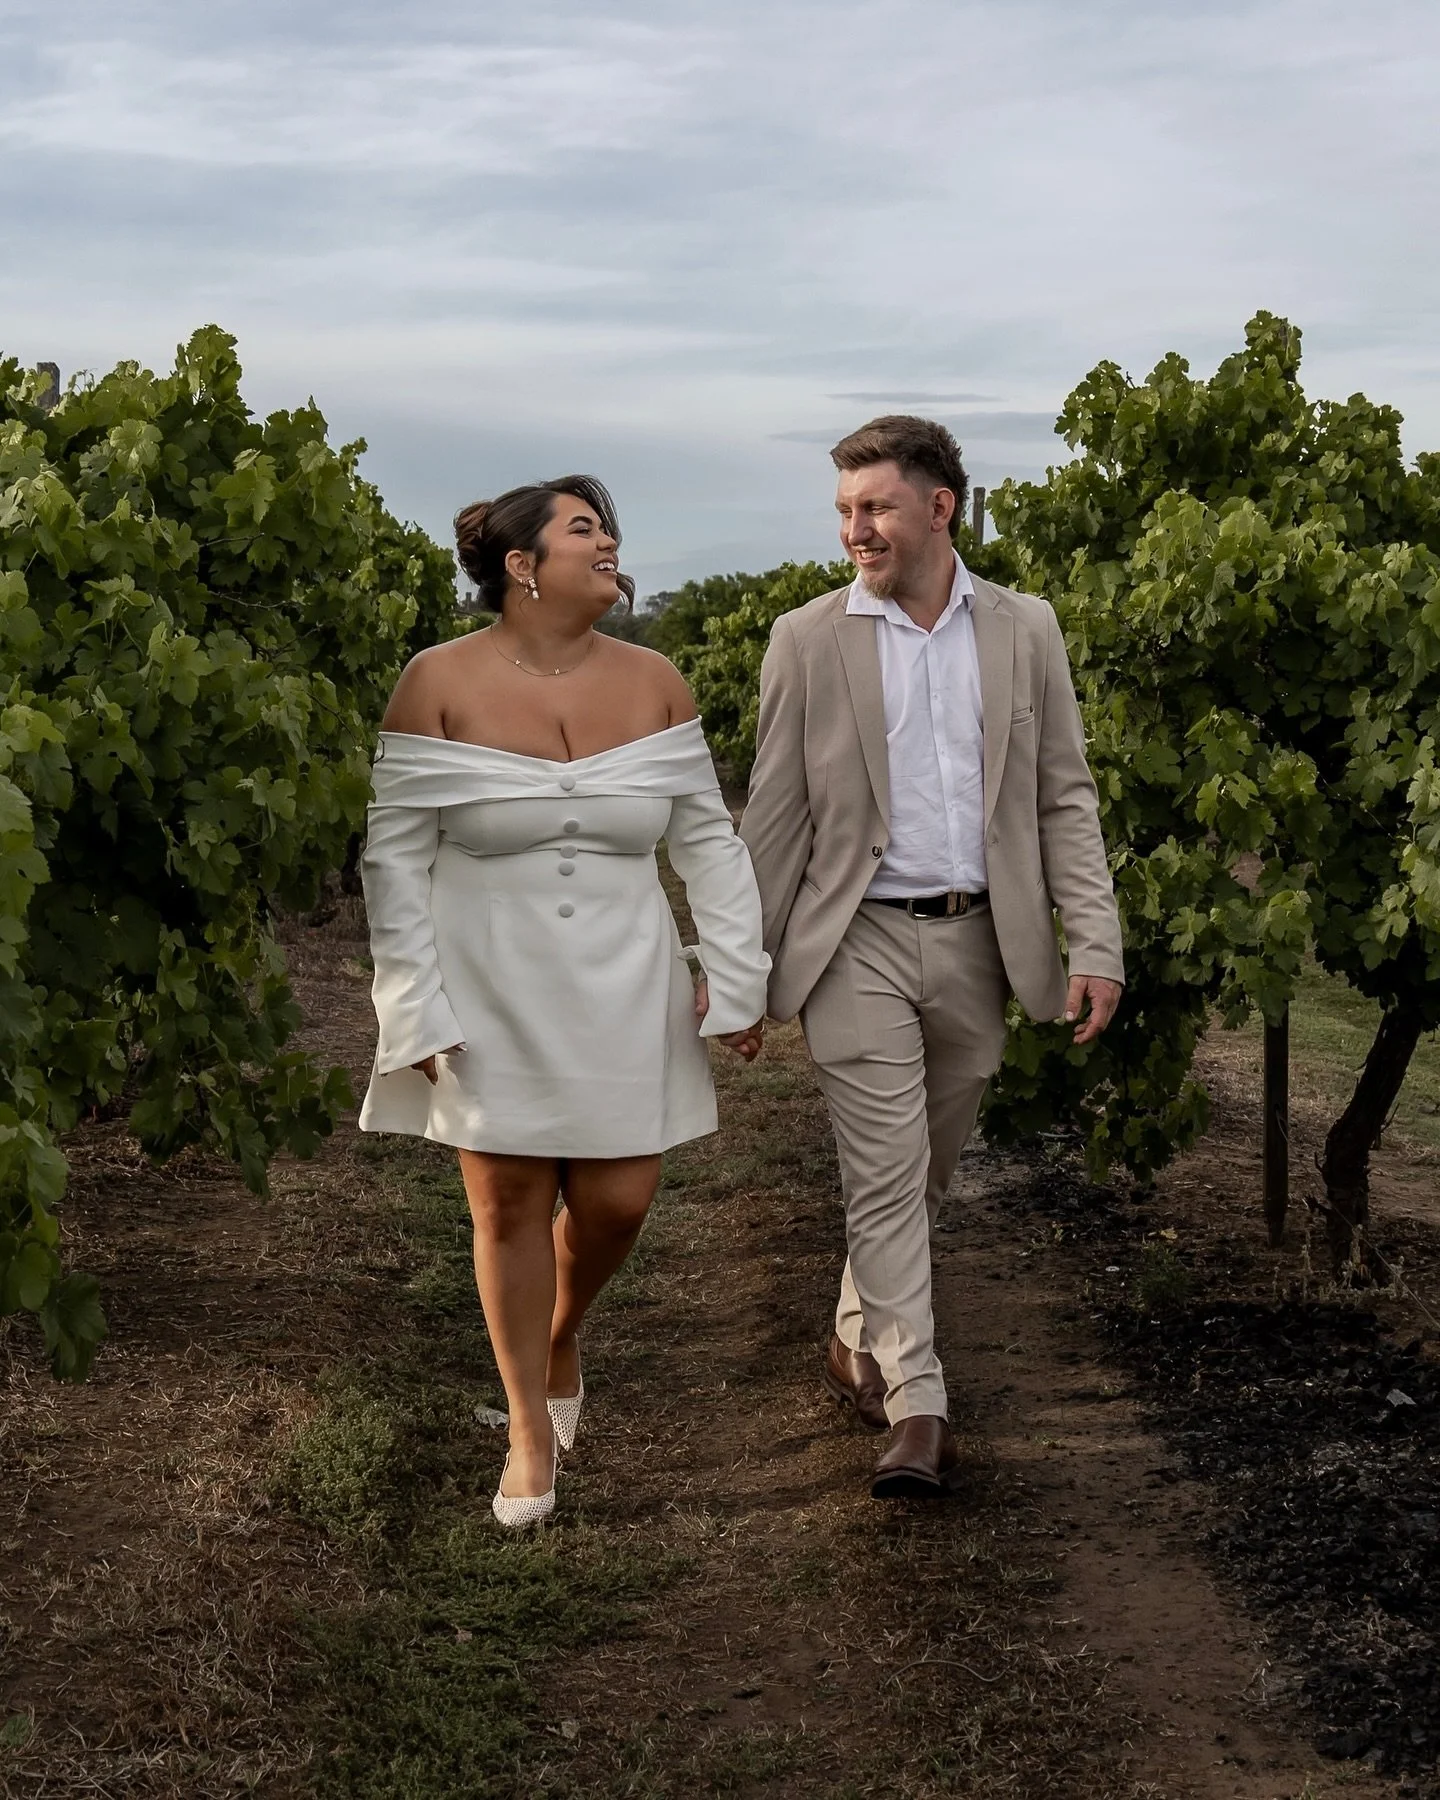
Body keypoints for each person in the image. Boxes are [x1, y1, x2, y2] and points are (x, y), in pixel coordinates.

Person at [358, 476, 768, 1528]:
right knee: (507, 1203)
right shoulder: (436, 682)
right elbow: (396, 863)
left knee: (620, 1201)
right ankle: (528, 1431)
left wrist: (737, 977)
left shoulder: (657, 680)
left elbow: (708, 846)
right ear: (522, 565)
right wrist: (412, 1008)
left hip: (628, 979)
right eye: (586, 529)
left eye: (611, 528)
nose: (611, 544)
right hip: (487, 979)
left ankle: (553, 1330)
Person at [740, 416, 1123, 1499]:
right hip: (854, 937)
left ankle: (856, 1326)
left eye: (874, 507)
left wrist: (1094, 939)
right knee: (882, 1166)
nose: (855, 529)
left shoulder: (1023, 628)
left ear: (938, 508)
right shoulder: (806, 639)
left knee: (922, 1169)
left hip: (979, 942)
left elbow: (1062, 794)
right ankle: (919, 1404)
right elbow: (773, 819)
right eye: (845, 511)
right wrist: (741, 970)